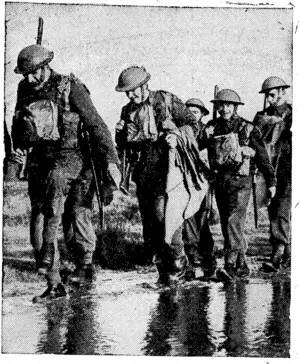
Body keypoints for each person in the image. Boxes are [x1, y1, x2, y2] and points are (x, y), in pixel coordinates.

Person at [11, 44, 121, 301]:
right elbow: (19, 125)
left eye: (34, 73)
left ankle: (76, 268)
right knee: (38, 221)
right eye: (25, 74)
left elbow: (96, 124)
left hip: (72, 161)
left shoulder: (70, 87)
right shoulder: (24, 88)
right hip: (39, 163)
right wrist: (17, 152)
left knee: (66, 214)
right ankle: (54, 278)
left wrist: (112, 161)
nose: (29, 79)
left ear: (46, 67)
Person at [115, 65, 208, 284]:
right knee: (151, 226)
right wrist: (119, 133)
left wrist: (177, 136)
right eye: (127, 92)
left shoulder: (166, 100)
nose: (130, 95)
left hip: (169, 170)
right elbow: (125, 146)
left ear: (144, 85)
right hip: (144, 172)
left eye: (134, 90)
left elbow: (192, 125)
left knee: (165, 218)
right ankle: (163, 272)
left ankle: (178, 265)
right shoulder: (127, 111)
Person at [202, 89, 276, 282]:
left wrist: (271, 182)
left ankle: (230, 265)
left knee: (233, 222)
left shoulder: (248, 128)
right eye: (220, 105)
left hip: (241, 183)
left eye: (228, 105)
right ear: (216, 107)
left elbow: (262, 158)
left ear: (235, 107)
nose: (224, 109)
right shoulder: (211, 128)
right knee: (228, 224)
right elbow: (196, 147)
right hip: (220, 183)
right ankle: (242, 266)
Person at [253, 77, 292, 272]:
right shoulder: (260, 117)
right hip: (267, 172)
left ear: (283, 93)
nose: (270, 99)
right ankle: (287, 255)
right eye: (267, 96)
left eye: (273, 95)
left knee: (281, 212)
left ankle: (277, 256)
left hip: (287, 171)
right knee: (273, 210)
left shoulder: (293, 114)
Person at [182, 98, 216, 279]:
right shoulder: (181, 129)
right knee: (188, 218)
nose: (191, 115)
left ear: (202, 114)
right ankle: (191, 258)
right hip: (184, 181)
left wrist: (208, 138)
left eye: (195, 112)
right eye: (188, 111)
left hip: (202, 181)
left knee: (201, 220)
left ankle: (208, 258)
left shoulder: (206, 131)